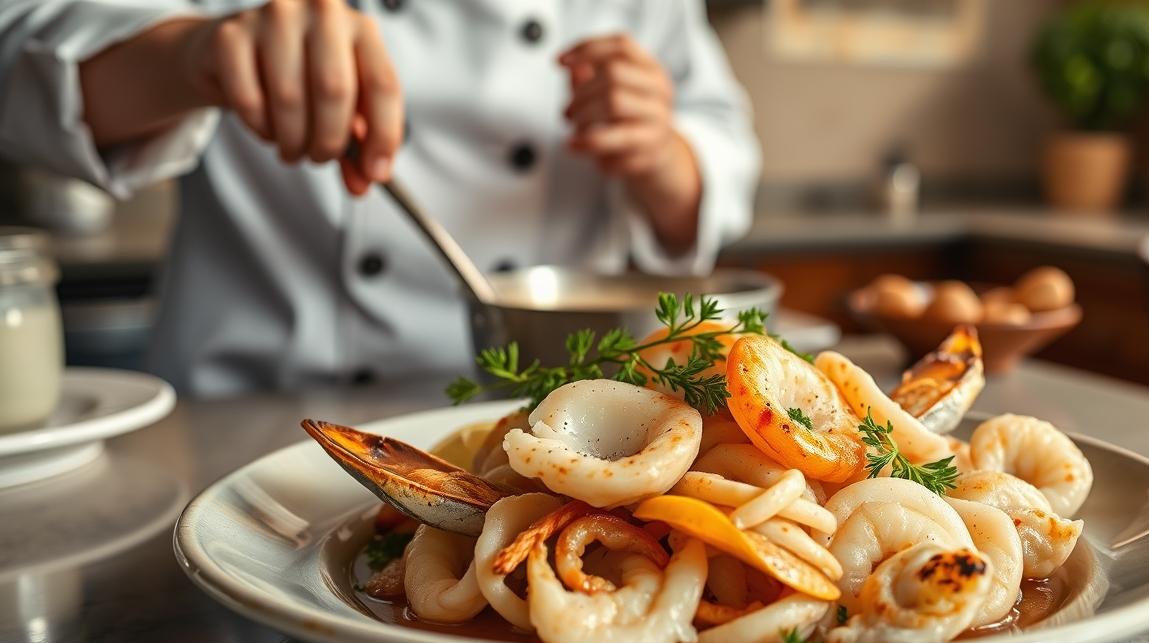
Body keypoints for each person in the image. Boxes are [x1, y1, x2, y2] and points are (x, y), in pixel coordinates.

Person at [0, 0, 760, 395]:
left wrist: (664, 152)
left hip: (553, 418)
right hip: (249, 420)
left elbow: (724, 150)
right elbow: (20, 62)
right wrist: (195, 56)